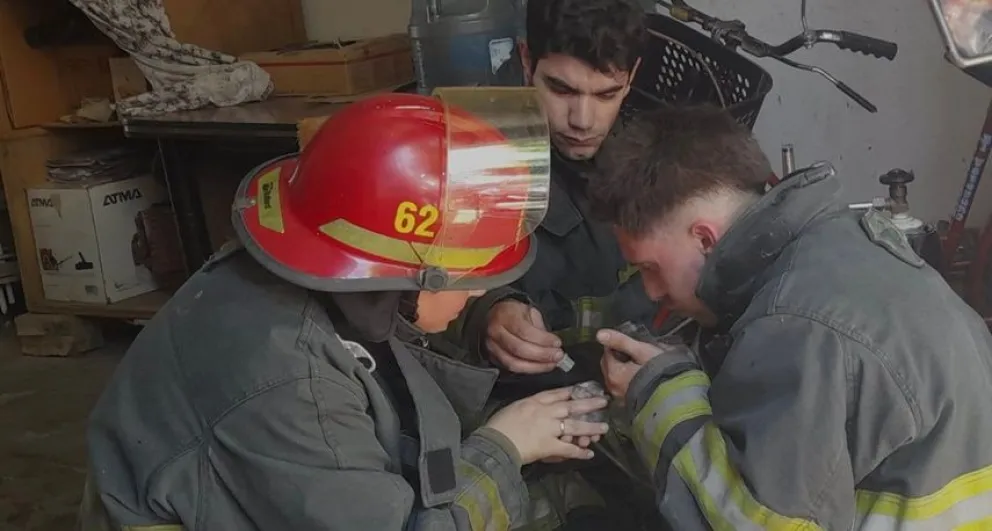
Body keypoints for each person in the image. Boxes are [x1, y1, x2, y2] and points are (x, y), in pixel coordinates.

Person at [76, 89, 612, 531]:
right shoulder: (290, 381)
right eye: (469, 280)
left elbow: (400, 318)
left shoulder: (321, 267)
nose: (477, 292)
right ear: (398, 276)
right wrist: (506, 448)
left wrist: (487, 316)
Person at [590, 104, 992, 529]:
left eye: (650, 268)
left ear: (705, 239)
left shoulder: (793, 325)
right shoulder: (841, 243)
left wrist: (658, 391)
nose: (651, 291)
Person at [443, 0, 663, 386]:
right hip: (521, 392)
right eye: (561, 89)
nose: (582, 121)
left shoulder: (656, 147)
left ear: (632, 76)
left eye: (607, 95)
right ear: (527, 60)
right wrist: (488, 313)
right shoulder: (472, 148)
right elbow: (424, 289)